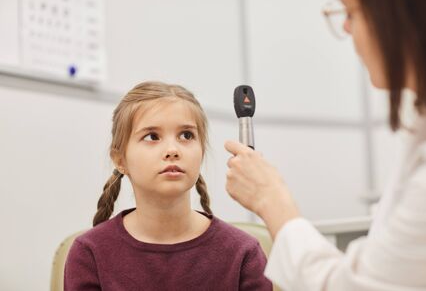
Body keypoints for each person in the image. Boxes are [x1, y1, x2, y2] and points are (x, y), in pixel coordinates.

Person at [225, 0, 426, 290]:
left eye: (351, 13)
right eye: (151, 136)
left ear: (402, 16)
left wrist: (270, 199)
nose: (345, 27)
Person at [64, 81, 272, 290]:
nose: (173, 150)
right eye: (152, 136)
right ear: (120, 160)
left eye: (186, 135)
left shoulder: (244, 253)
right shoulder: (89, 253)